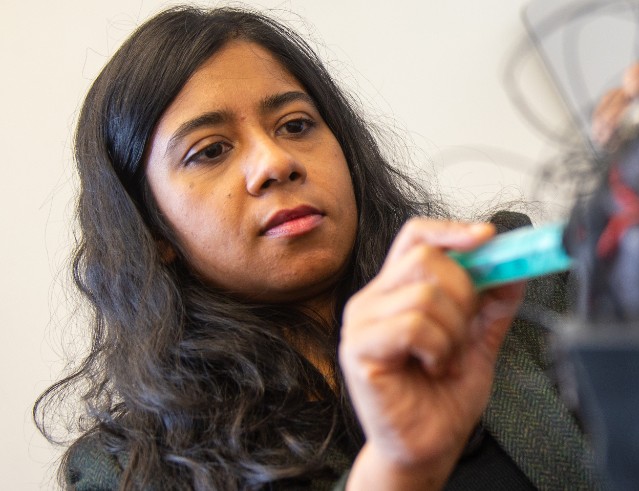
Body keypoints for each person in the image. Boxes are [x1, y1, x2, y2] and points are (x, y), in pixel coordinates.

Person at [34, 6, 594, 490]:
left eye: (296, 124)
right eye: (210, 151)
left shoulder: (517, 289)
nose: (276, 163)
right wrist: (398, 469)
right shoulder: (123, 470)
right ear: (152, 231)